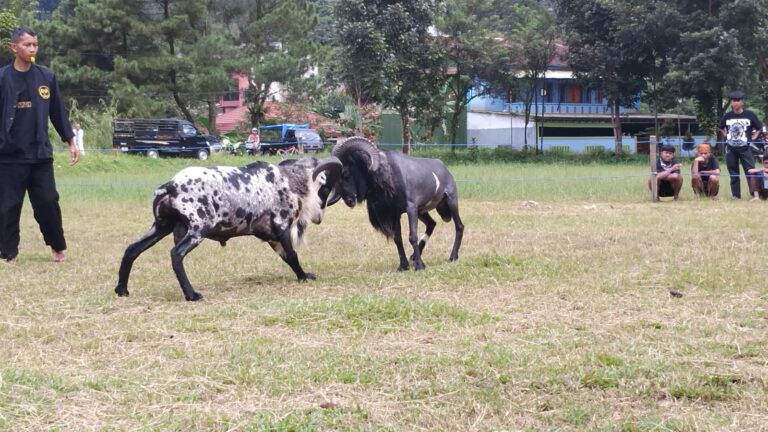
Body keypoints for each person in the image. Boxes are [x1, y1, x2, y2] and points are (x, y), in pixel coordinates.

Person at [0, 26, 78, 263]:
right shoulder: (3, 78)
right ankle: (8, 252)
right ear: (14, 47)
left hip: (40, 154)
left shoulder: (46, 77)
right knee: (7, 206)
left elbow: (57, 112)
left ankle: (57, 246)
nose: (32, 48)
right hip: (10, 155)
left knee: (48, 201)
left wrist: (70, 140)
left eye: (35, 44)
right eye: (27, 44)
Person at [718, 90, 763, 199]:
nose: (736, 103)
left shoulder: (749, 114)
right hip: (731, 148)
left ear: (742, 102)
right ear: (731, 102)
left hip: (746, 148)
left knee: (750, 171)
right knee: (733, 173)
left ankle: (755, 195)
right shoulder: (727, 116)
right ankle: (736, 196)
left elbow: (759, 127)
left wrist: (755, 136)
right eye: (734, 101)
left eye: (738, 100)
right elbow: (720, 127)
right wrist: (726, 135)